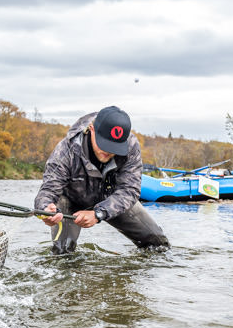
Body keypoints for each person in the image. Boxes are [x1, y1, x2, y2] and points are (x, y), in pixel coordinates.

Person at [34, 105, 170, 254]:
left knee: (158, 245)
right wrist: (45, 209)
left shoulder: (131, 146)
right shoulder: (66, 150)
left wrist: (98, 213)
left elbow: (130, 190)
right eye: (104, 143)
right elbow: (47, 190)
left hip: (113, 199)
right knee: (62, 253)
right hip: (70, 201)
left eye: (114, 147)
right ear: (91, 129)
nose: (108, 151)